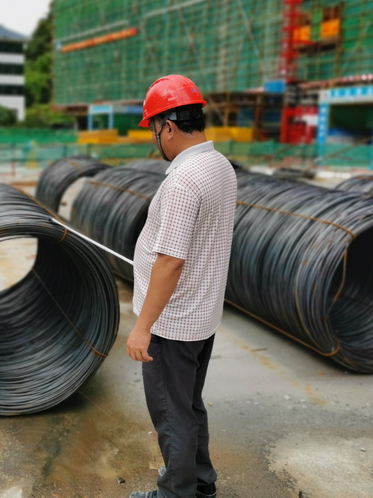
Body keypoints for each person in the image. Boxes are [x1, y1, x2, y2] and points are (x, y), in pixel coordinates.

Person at [127, 75, 237, 498]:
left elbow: (171, 261)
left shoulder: (182, 180)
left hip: (172, 325)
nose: (155, 139)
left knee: (172, 414)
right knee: (189, 406)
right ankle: (201, 484)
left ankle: (176, 494)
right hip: (202, 317)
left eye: (153, 130)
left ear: (168, 126)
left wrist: (143, 327)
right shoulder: (220, 165)